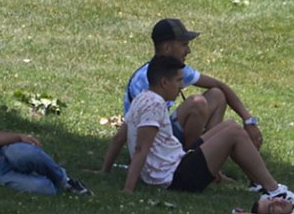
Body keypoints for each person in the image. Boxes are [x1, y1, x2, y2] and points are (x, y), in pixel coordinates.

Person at [121, 54, 294, 205]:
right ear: (163, 83)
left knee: (230, 125)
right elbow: (141, 148)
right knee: (234, 133)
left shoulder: (143, 98)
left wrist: (104, 169)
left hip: (177, 164)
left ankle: (258, 184)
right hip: (176, 178)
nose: (181, 86)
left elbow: (121, 135)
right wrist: (128, 189)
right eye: (178, 81)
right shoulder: (155, 104)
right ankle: (274, 190)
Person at [101, 18, 263, 177]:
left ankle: (210, 163)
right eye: (184, 45)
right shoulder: (147, 80)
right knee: (197, 104)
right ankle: (193, 163)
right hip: (151, 146)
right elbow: (127, 131)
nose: (188, 51)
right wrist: (110, 173)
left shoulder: (175, 71)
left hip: (164, 137)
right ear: (167, 48)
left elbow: (220, 86)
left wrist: (248, 120)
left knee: (217, 95)